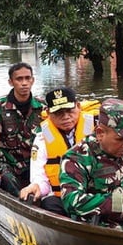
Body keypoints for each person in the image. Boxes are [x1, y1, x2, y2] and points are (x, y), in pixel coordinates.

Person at [59, 98, 123, 229]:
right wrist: (121, 200)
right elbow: (71, 202)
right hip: (99, 231)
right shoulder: (76, 157)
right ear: (100, 133)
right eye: (120, 139)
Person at [0, 62, 45, 196]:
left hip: (35, 163)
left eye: (28, 78)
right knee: (10, 183)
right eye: (19, 79)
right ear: (11, 82)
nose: (24, 83)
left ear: (32, 80)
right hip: (8, 163)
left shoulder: (42, 106)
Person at [18, 86, 81, 214]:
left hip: (92, 195)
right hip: (62, 197)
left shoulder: (97, 130)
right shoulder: (42, 139)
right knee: (49, 203)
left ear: (78, 106)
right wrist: (36, 187)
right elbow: (40, 178)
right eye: (59, 113)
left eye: (69, 110)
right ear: (48, 113)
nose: (66, 117)